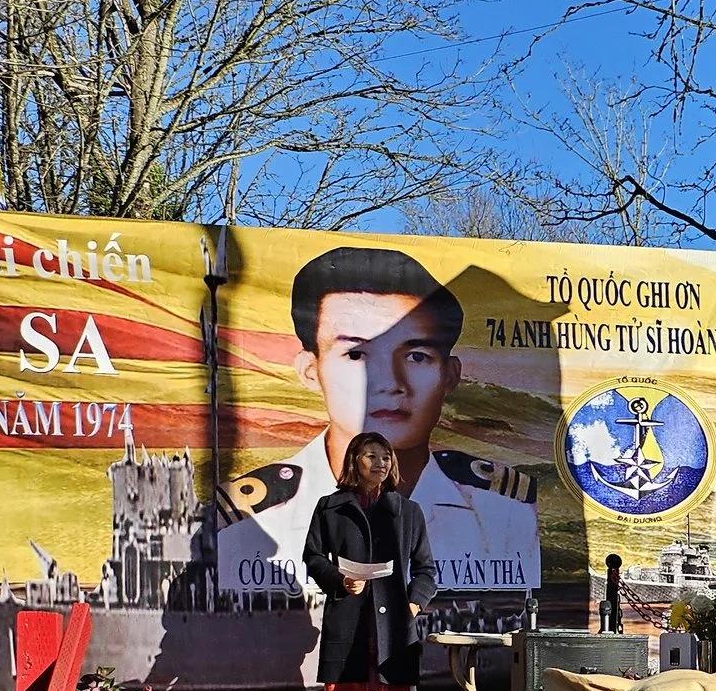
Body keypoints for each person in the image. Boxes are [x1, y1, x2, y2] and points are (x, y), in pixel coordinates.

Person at [219, 246, 539, 618]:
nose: (389, 383)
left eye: (417, 356)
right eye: (356, 355)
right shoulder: (251, 517)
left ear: (450, 375)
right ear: (311, 370)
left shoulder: (507, 513)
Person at [301, 432, 437, 691]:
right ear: (354, 461)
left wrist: (411, 606)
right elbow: (313, 557)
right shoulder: (331, 507)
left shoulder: (407, 511)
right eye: (371, 456)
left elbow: (426, 570)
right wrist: (340, 580)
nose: (380, 463)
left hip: (394, 625)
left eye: (385, 457)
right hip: (348, 616)